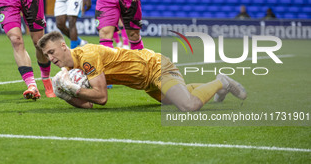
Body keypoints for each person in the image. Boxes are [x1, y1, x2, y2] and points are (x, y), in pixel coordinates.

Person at [37, 31, 247, 110]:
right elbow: (89, 104)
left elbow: (101, 98)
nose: (51, 58)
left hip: (154, 66)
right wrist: (66, 94)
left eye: (52, 52)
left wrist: (72, 89)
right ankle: (217, 89)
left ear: (64, 46)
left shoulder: (88, 56)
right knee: (173, 100)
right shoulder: (68, 70)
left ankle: (222, 81)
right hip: (145, 83)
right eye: (47, 55)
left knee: (188, 105)